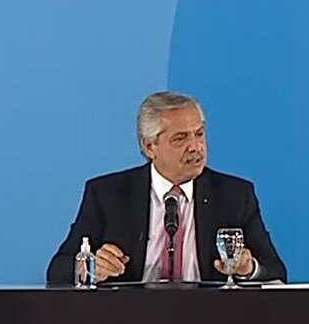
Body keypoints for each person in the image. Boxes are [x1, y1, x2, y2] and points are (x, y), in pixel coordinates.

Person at [46, 91, 286, 286]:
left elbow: (275, 270)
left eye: (199, 134)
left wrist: (248, 268)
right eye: (180, 139)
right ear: (149, 147)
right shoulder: (108, 194)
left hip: (212, 317)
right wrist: (90, 267)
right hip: (129, 318)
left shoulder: (234, 195)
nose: (195, 147)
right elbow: (58, 269)